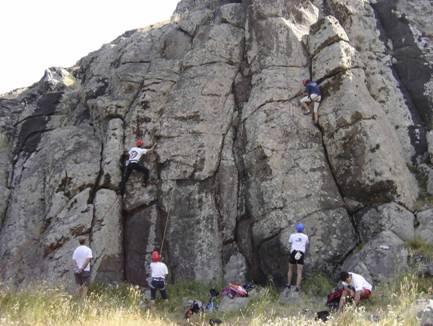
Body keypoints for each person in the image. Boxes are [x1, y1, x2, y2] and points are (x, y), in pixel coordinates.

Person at [287, 223, 309, 291]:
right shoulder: (305, 237)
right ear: (303, 229)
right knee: (299, 271)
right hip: (300, 253)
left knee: (290, 269)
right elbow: (307, 243)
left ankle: (288, 284)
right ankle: (297, 287)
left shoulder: (292, 235)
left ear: (296, 229)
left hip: (293, 252)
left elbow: (290, 242)